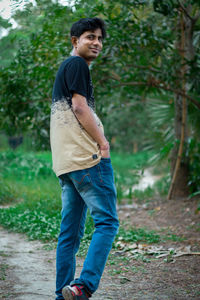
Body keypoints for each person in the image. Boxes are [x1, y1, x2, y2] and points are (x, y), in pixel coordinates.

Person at [50, 17, 119, 300]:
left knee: (70, 235)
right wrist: (103, 143)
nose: (97, 43)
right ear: (74, 40)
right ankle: (83, 286)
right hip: (87, 161)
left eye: (100, 39)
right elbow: (79, 108)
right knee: (107, 223)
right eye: (90, 37)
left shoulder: (66, 68)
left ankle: (62, 294)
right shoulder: (77, 64)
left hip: (67, 164)